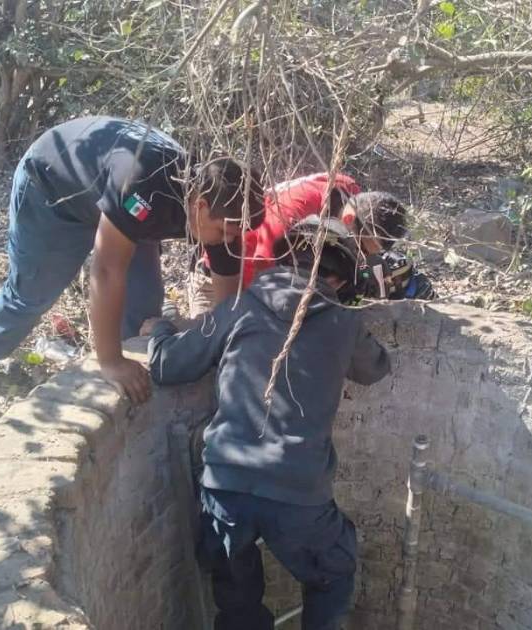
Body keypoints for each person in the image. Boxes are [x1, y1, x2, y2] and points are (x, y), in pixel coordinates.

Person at [146, 216, 391, 630]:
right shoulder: (343, 321)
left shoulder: (239, 307)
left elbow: (168, 365)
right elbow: (376, 368)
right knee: (332, 574)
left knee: (237, 604)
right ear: (338, 278)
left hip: (225, 486)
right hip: (299, 494)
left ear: (281, 259)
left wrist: (161, 329)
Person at [0, 116, 264, 402]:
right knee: (34, 291)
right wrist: (111, 361)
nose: (228, 242)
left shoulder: (224, 208)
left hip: (116, 201)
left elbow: (227, 302)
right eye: (224, 233)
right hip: (53, 190)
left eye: (235, 235)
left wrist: (218, 343)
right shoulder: (144, 186)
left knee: (143, 302)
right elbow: (105, 271)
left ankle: (136, 367)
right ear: (200, 206)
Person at [186, 172, 433, 316]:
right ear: (348, 220)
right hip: (223, 280)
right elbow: (266, 281)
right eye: (360, 247)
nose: (359, 255)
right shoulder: (290, 218)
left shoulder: (349, 193)